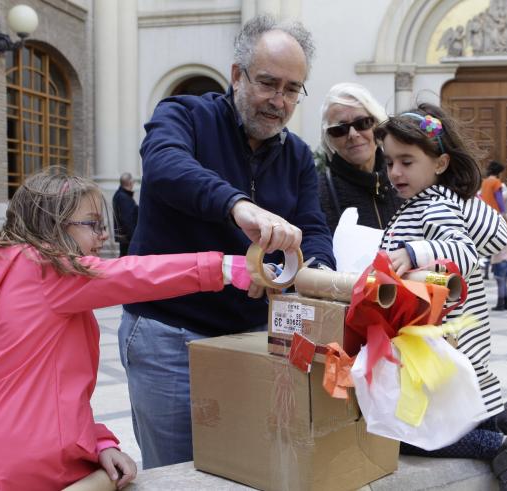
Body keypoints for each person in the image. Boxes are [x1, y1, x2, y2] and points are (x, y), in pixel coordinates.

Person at [0, 169, 257, 489]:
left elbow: (44, 394)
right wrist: (226, 267)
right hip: (22, 465)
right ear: (52, 223)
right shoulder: (47, 271)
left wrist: (100, 442)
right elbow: (134, 275)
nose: (102, 236)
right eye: (93, 224)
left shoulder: (4, 271)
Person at [120, 16, 335, 469]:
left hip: (253, 336)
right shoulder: (184, 115)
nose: (279, 101)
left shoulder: (296, 154)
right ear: (237, 75)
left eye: (293, 89)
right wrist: (238, 205)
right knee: (174, 472)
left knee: (245, 465)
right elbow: (165, 165)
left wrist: (309, 274)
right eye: (268, 83)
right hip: (168, 334)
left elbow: (313, 228)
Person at [376, 104, 507, 491]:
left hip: (446, 349)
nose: (395, 173)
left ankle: (505, 446)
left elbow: (463, 256)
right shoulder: (429, 202)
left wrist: (414, 257)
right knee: (462, 411)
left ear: (439, 163)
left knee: (412, 433)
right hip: (456, 347)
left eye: (407, 161)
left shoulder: (433, 206)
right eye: (389, 162)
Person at [317, 82, 401, 231]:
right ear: (329, 139)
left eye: (363, 123)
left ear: (377, 125)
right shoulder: (318, 193)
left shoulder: (403, 180)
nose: (353, 135)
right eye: (339, 129)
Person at [112, 172, 138, 257]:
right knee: (126, 258)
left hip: (124, 236)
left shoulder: (120, 195)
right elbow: (127, 220)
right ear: (130, 183)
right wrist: (134, 237)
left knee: (124, 258)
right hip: (127, 237)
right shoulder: (124, 197)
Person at [491, 222, 507, 311]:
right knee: (505, 283)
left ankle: (500, 305)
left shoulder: (499, 236)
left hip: (499, 261)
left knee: (500, 284)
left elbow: (494, 250)